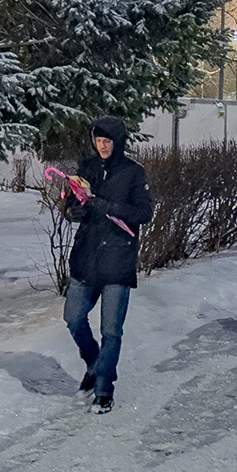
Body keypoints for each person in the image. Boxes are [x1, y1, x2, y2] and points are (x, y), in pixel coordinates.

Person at [61, 114, 155, 414]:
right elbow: (75, 202)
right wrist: (72, 212)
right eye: (98, 140)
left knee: (111, 331)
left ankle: (104, 390)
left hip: (117, 259)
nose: (102, 146)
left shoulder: (133, 173)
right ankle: (94, 362)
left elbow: (143, 214)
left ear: (118, 142)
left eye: (107, 141)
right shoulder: (87, 167)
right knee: (73, 318)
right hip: (86, 258)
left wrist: (104, 206)